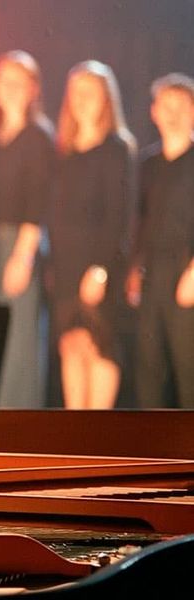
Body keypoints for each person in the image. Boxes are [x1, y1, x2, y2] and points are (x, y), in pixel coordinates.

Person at [48, 60, 136, 410]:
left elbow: (119, 216)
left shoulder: (117, 148)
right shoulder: (64, 151)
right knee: (71, 344)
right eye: (77, 93)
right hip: (65, 266)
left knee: (97, 344)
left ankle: (98, 430)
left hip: (98, 263)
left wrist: (100, 268)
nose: (83, 100)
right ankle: (76, 430)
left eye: (91, 93)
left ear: (106, 100)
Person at [0, 50, 53, 408]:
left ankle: (19, 416)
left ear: (33, 89)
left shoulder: (38, 137)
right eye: (3, 80)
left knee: (19, 338)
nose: (9, 88)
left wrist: (22, 258)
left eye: (18, 82)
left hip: (19, 244)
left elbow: (38, 204)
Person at [126, 73, 194, 408]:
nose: (172, 114)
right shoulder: (149, 164)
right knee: (148, 367)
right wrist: (134, 271)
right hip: (152, 274)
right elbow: (141, 221)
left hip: (186, 273)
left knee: (188, 367)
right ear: (154, 112)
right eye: (166, 106)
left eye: (181, 106)